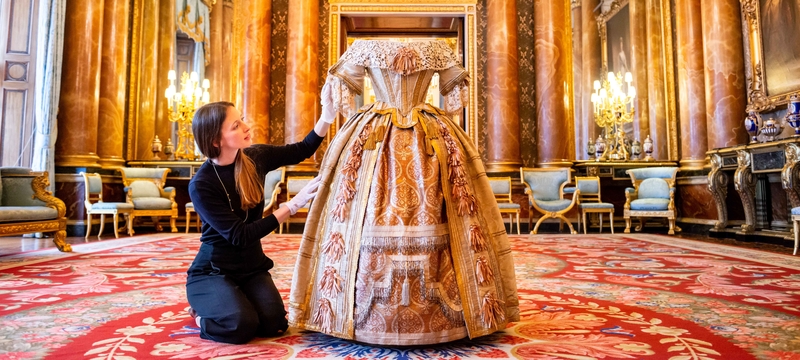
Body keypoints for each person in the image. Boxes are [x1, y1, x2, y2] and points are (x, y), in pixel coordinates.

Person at [288, 39, 520, 346]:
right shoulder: (432, 50)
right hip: (423, 133)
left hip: (378, 132)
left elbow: (342, 88)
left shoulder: (366, 49)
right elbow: (455, 94)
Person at [186, 100, 333, 344]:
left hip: (251, 268)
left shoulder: (255, 157)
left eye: (241, 119)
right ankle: (202, 316)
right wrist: (292, 206)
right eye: (235, 125)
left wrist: (326, 116)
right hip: (213, 270)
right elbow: (240, 235)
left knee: (274, 324)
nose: (246, 126)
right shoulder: (201, 184)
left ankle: (234, 300)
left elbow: (302, 150)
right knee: (240, 326)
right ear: (215, 141)